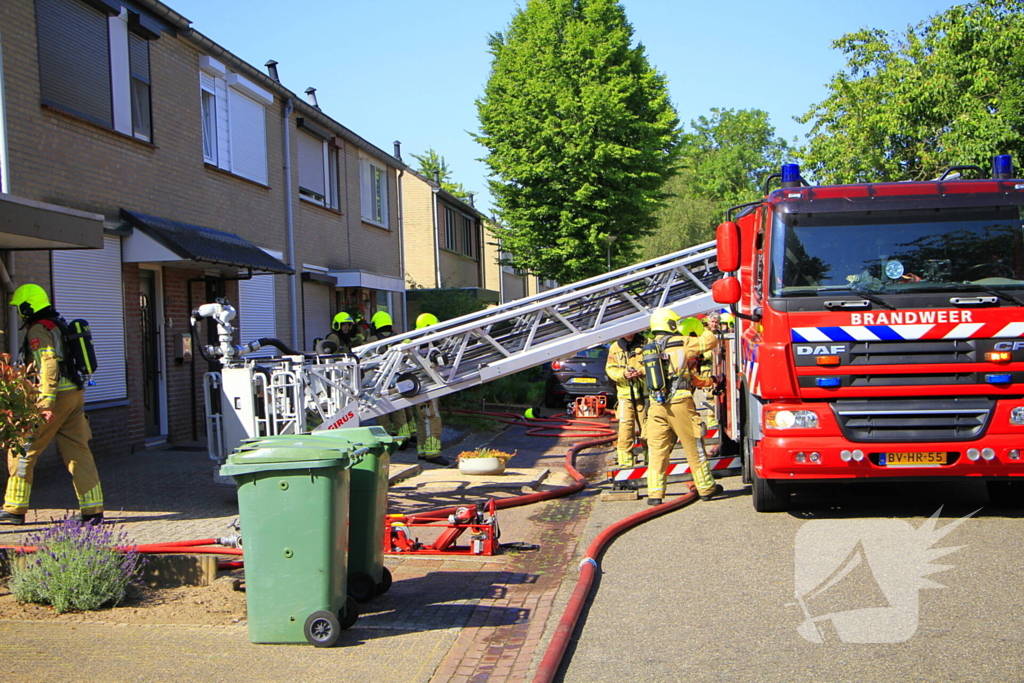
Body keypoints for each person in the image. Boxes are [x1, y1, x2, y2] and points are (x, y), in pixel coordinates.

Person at [1, 284, 104, 525]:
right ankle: (93, 510)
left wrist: (45, 402)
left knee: (22, 447)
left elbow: (47, 363)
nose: (19, 313)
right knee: (78, 451)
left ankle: (14, 508)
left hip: (54, 398)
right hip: (74, 395)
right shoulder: (58, 323)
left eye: (20, 308)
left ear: (28, 306)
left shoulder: (39, 328)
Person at [643, 307, 724, 506]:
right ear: (670, 324)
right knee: (693, 446)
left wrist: (708, 381)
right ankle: (706, 488)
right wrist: (702, 325)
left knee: (657, 450)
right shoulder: (681, 342)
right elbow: (710, 341)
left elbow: (683, 376)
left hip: (656, 405)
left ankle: (655, 494)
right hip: (680, 404)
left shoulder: (649, 347)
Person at [366, 311, 414, 446]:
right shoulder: (397, 338)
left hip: (379, 381)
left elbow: (366, 361)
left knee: (382, 412)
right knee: (399, 408)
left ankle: (385, 439)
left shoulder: (373, 340)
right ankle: (404, 437)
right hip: (397, 378)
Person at [605, 331, 647, 468]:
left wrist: (641, 371)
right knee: (626, 428)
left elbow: (654, 363)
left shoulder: (646, 343)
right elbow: (610, 369)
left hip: (644, 394)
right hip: (625, 395)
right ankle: (625, 462)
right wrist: (623, 374)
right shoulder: (615, 348)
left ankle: (651, 458)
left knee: (647, 428)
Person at [412, 312, 448, 466]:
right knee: (432, 418)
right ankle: (433, 453)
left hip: (419, 386)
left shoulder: (414, 344)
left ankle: (422, 451)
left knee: (422, 420)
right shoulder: (427, 347)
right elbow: (437, 363)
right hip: (428, 387)